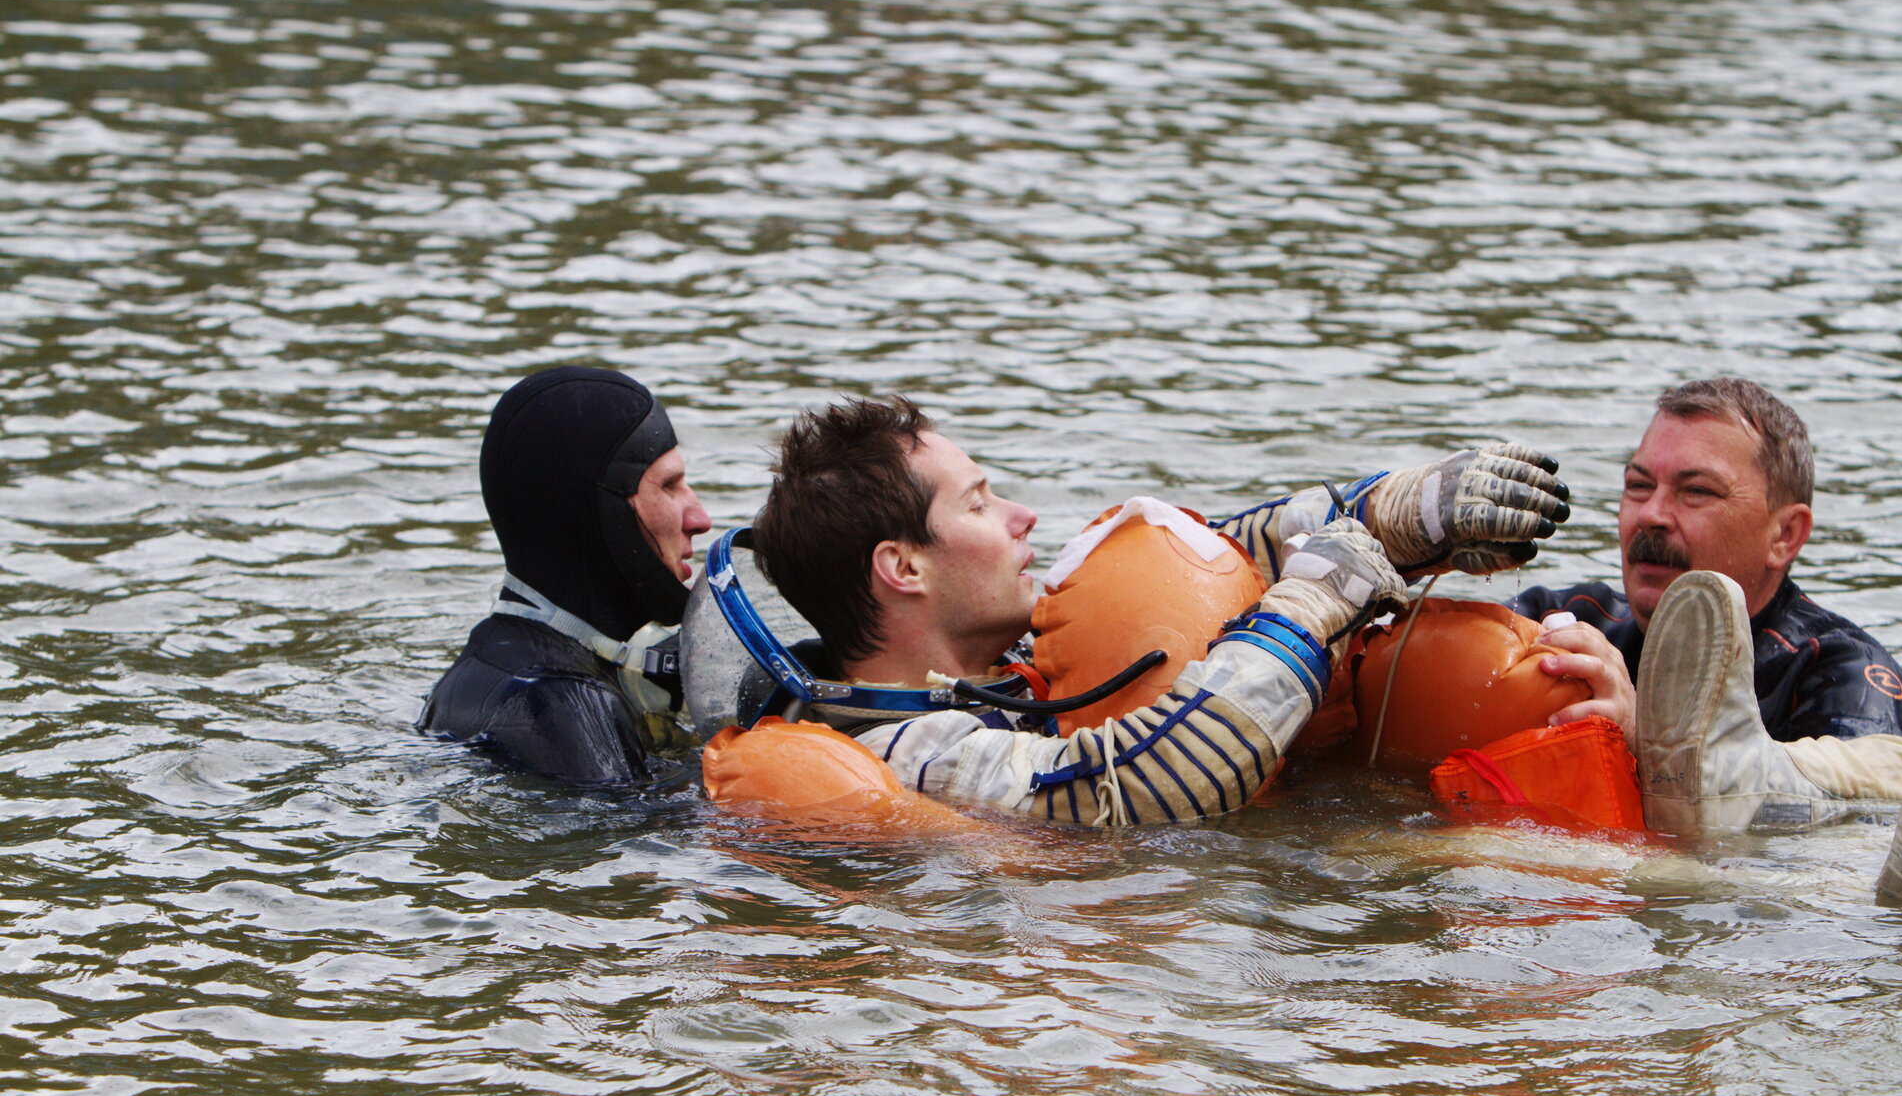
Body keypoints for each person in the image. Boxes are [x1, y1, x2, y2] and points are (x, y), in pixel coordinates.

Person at [742, 397, 1568, 826]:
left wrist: (1398, 513)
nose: (1023, 516)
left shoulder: (1010, 671)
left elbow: (1206, 559)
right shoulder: (903, 753)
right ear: (903, 567)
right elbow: (1135, 789)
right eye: (982, 504)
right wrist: (1310, 609)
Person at [1509, 377, 1902, 829]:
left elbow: (1860, 843)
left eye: (1697, 491)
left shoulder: (1843, 672)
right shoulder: (1563, 619)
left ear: (1784, 536)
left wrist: (1639, 742)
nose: (1651, 515)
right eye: (1639, 486)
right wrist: (1420, 558)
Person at [419, 367, 713, 785]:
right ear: (600, 514)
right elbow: (652, 843)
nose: (701, 519)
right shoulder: (564, 702)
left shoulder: (486, 665)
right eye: (669, 486)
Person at [1635, 569, 1902, 832]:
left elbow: (1872, 830)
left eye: (1692, 508)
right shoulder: (1594, 612)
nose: (1652, 516)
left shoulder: (1843, 662)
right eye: (1631, 508)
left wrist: (1633, 740)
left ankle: (1760, 791)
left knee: (1894, 777)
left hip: (1795, 854)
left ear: (1786, 533)